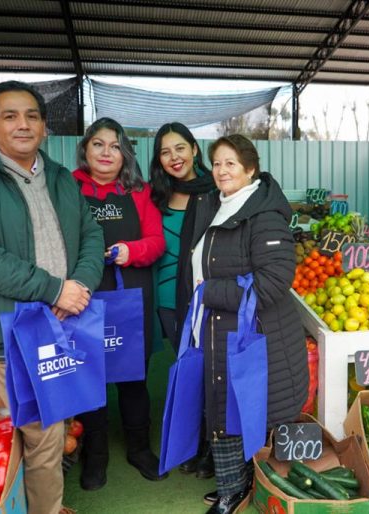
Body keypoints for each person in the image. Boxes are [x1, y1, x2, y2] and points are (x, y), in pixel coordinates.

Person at [0, 81, 104, 514]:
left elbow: (91, 235)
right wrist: (54, 288)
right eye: (10, 116)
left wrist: (80, 287)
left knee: (47, 426)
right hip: (9, 329)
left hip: (64, 319)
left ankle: (41, 504)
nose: (23, 124)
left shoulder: (61, 180)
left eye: (32, 115)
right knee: (44, 429)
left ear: (44, 128)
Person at [180, 134, 308, 514]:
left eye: (231, 163)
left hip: (256, 336)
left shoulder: (264, 214)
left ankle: (241, 489)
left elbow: (273, 282)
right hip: (223, 329)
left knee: (245, 409)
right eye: (217, 163)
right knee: (227, 406)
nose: (221, 171)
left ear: (250, 169)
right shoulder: (219, 205)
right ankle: (234, 486)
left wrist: (211, 291)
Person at [72, 118, 167, 489]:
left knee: (134, 377)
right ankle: (95, 456)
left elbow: (157, 242)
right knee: (90, 376)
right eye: (98, 144)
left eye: (114, 145)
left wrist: (132, 250)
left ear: (124, 152)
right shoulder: (69, 187)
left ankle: (139, 448)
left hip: (132, 292)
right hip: (84, 294)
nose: (106, 152)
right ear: (86, 149)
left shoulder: (139, 191)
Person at [149, 122, 216, 479]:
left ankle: (211, 446)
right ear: (158, 160)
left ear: (193, 149)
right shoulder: (156, 195)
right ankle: (192, 444)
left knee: (210, 372)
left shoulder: (216, 188)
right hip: (167, 299)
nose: (174, 157)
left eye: (179, 148)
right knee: (186, 373)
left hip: (206, 297)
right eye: (164, 151)